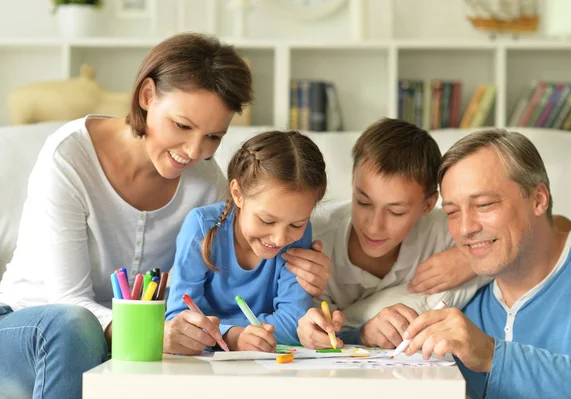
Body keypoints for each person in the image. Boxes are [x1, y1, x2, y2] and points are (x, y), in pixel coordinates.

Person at [0, 33, 329, 399]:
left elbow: (239, 267)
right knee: (73, 325)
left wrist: (310, 277)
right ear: (147, 96)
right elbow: (69, 301)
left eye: (213, 137)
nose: (193, 151)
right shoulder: (69, 158)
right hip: (31, 327)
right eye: (182, 126)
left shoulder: (204, 179)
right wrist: (157, 332)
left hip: (128, 345)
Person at [400, 129, 571, 399]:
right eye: (452, 212)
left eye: (484, 204)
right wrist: (364, 332)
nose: (466, 228)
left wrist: (491, 354)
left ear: (538, 199)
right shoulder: (459, 293)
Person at [297, 119, 490, 350]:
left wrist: (470, 259)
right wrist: (358, 334)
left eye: (396, 212)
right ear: (352, 180)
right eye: (363, 202)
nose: (374, 226)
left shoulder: (444, 229)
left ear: (428, 204)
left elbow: (535, 230)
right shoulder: (314, 238)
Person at [165, 130, 327, 352]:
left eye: (297, 225)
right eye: (266, 220)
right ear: (237, 193)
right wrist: (233, 336)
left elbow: (293, 326)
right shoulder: (201, 227)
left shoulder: (300, 234)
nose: (280, 238)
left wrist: (218, 330)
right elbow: (179, 322)